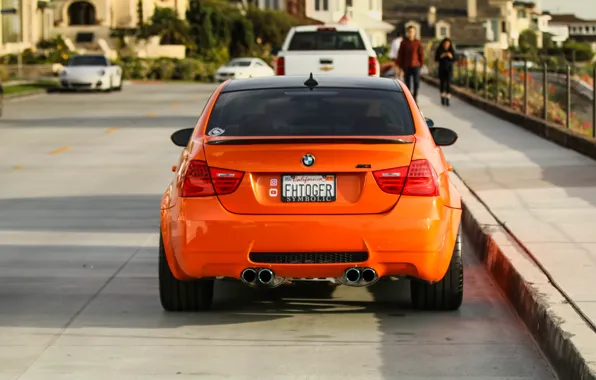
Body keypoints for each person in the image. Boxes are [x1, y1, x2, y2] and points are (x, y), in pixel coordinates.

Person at [396, 26, 424, 102]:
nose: (411, 33)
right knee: (407, 83)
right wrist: (400, 67)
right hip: (406, 65)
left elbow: (421, 54)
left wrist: (421, 65)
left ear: (415, 33)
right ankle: (409, 98)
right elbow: (400, 55)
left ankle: (415, 97)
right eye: (409, 32)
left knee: (416, 82)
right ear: (407, 33)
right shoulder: (403, 43)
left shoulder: (418, 42)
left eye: (412, 32)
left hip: (416, 65)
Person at [434, 37, 455, 106]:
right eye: (445, 44)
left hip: (449, 69)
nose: (446, 45)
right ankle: (442, 97)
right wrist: (442, 56)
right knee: (442, 84)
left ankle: (448, 98)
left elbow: (454, 59)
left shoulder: (451, 50)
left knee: (448, 84)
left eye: (448, 44)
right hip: (442, 69)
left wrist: (450, 56)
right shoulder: (440, 50)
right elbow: (436, 58)